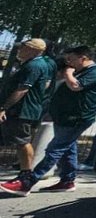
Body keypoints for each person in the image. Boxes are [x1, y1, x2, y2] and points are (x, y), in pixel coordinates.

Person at [22, 46, 96, 193]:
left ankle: (29, 181)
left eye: (71, 59)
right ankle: (67, 181)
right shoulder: (80, 71)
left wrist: (68, 73)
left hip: (76, 118)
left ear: (83, 58)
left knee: (55, 149)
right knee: (68, 149)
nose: (69, 62)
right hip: (64, 117)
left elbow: (75, 86)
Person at [0, 39, 56, 197]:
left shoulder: (34, 65)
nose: (19, 50)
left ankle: (25, 179)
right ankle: (25, 178)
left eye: (23, 47)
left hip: (22, 111)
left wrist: (4, 107)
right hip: (21, 110)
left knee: (22, 142)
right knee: (18, 141)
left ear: (33, 50)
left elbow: (23, 89)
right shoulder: (34, 64)